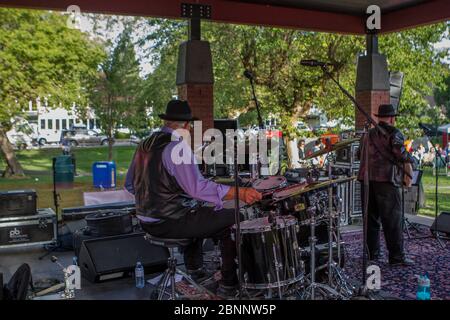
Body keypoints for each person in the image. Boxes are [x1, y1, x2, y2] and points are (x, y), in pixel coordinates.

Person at [125, 100, 262, 298]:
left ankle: (195, 269)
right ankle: (228, 284)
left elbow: (129, 185)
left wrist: (155, 199)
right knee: (234, 218)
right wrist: (239, 192)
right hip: (168, 222)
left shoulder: (144, 145)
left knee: (196, 210)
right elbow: (197, 188)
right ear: (187, 126)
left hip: (146, 220)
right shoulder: (176, 148)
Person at [358, 104, 416, 266]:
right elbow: (400, 153)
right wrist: (413, 160)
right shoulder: (394, 133)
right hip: (387, 181)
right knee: (392, 221)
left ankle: (372, 255)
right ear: (392, 118)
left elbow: (358, 154)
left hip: (367, 181)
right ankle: (396, 257)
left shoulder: (368, 134)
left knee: (371, 221)